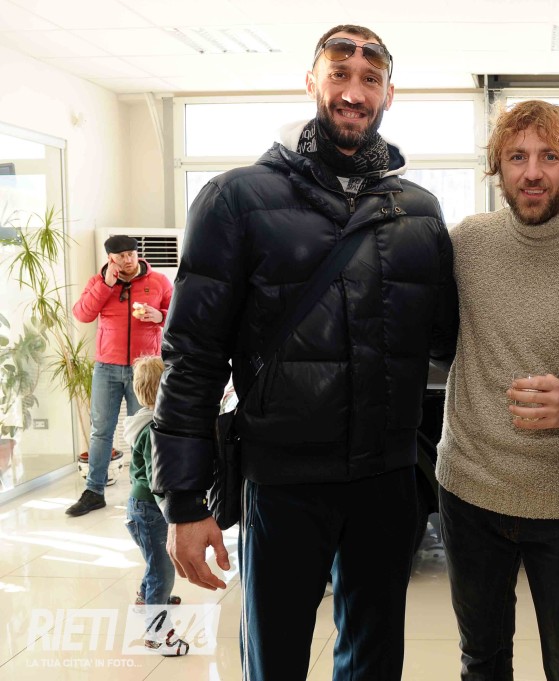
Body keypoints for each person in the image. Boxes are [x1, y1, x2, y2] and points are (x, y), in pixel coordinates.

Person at [150, 24, 458, 681]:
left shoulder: (419, 211)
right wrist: (184, 499)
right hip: (283, 481)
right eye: (338, 73)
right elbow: (193, 355)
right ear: (311, 82)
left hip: (387, 479)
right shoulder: (237, 199)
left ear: (389, 94)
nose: (353, 91)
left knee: (374, 659)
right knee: (276, 656)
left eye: (370, 78)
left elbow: (450, 337)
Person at [435, 100, 559, 681]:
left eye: (550, 156)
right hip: (469, 490)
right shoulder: (466, 244)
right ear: (497, 166)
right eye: (517, 156)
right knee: (482, 659)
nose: (532, 172)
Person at [66, 235, 173, 517]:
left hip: (145, 369)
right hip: (106, 367)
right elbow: (82, 314)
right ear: (110, 259)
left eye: (131, 254)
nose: (127, 260)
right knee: (101, 431)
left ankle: (148, 489)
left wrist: (160, 316)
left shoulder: (158, 281)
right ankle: (94, 491)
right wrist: (106, 285)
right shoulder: (99, 282)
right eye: (121, 256)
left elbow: (179, 313)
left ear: (137, 254)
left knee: (147, 429)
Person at [123, 354, 189, 657]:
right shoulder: (154, 430)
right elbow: (156, 479)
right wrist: (173, 513)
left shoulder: (143, 420)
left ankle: (147, 597)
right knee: (162, 571)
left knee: (156, 564)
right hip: (151, 510)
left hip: (140, 507)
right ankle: (157, 634)